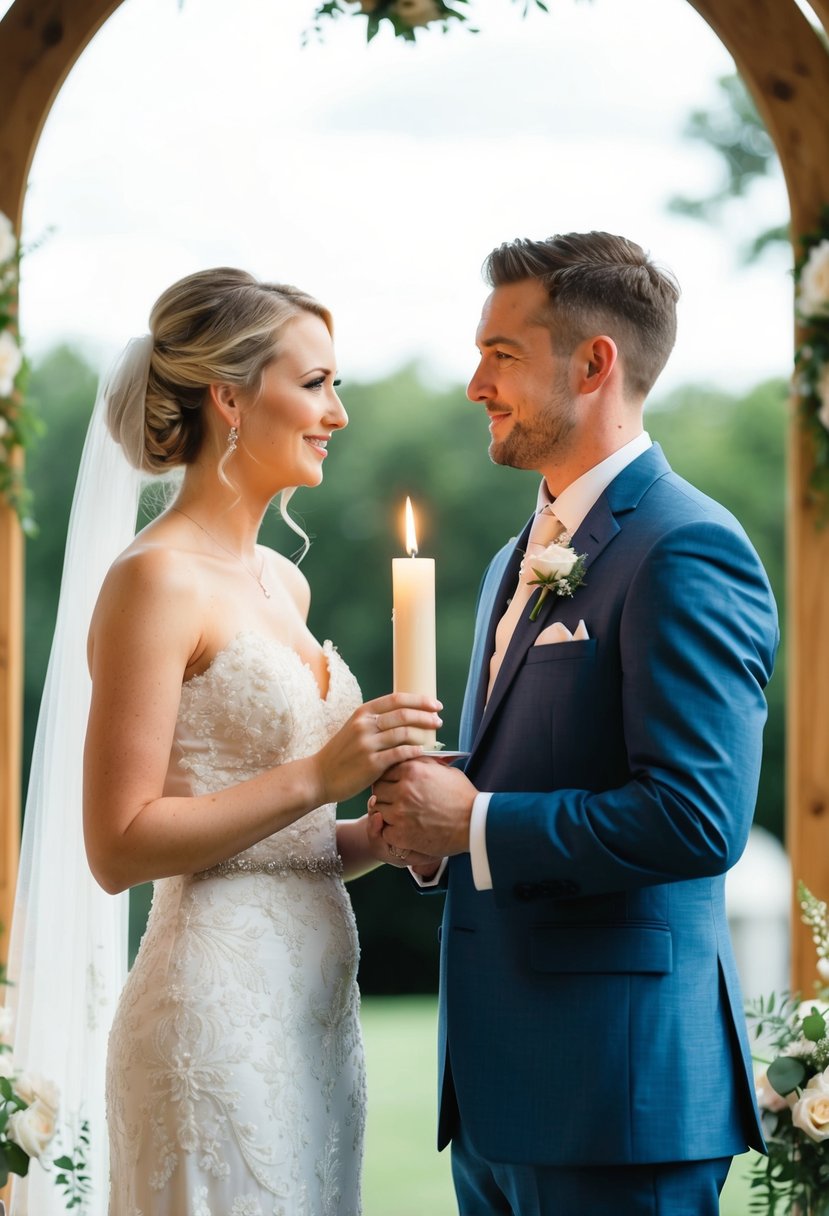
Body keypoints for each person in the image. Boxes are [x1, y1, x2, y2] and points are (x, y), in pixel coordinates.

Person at [7, 268, 442, 1216]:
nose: (337, 412)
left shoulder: (284, 586)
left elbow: (285, 846)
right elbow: (118, 844)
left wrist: (384, 835)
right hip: (211, 1011)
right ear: (231, 397)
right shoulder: (152, 581)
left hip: (317, 1003)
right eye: (317, 383)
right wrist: (320, 773)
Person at [369, 232, 779, 1215]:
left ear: (594, 363)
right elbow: (530, 764)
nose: (475, 382)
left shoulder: (687, 546)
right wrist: (427, 822)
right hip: (497, 1096)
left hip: (618, 1096)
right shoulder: (517, 555)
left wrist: (470, 823)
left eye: (500, 354)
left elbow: (694, 819)